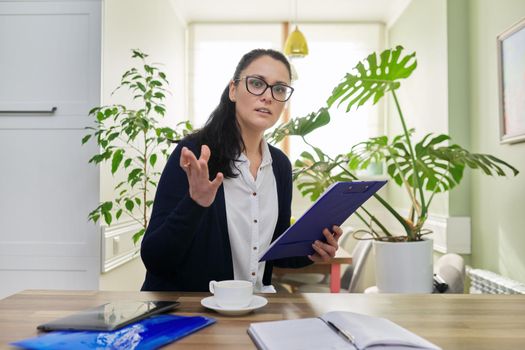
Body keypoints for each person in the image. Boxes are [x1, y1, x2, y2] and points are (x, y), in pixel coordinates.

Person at [141, 48, 343, 292]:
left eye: (279, 89)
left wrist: (312, 251)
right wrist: (195, 203)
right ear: (233, 90)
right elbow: (155, 259)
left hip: (254, 308)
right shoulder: (195, 154)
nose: (268, 96)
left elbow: (271, 253)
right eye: (257, 83)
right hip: (193, 313)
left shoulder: (279, 165)